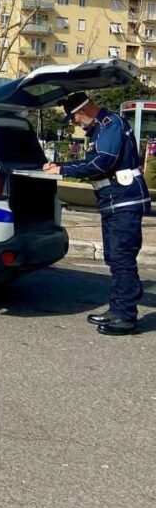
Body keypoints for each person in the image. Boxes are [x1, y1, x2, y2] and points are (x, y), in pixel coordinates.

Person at [43, 91, 150, 335]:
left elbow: (101, 163)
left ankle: (125, 315)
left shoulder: (110, 125)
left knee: (122, 258)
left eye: (73, 118)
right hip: (113, 201)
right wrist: (62, 167)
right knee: (114, 258)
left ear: (82, 110)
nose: (74, 123)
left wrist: (62, 168)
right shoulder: (100, 130)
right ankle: (118, 308)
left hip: (124, 201)